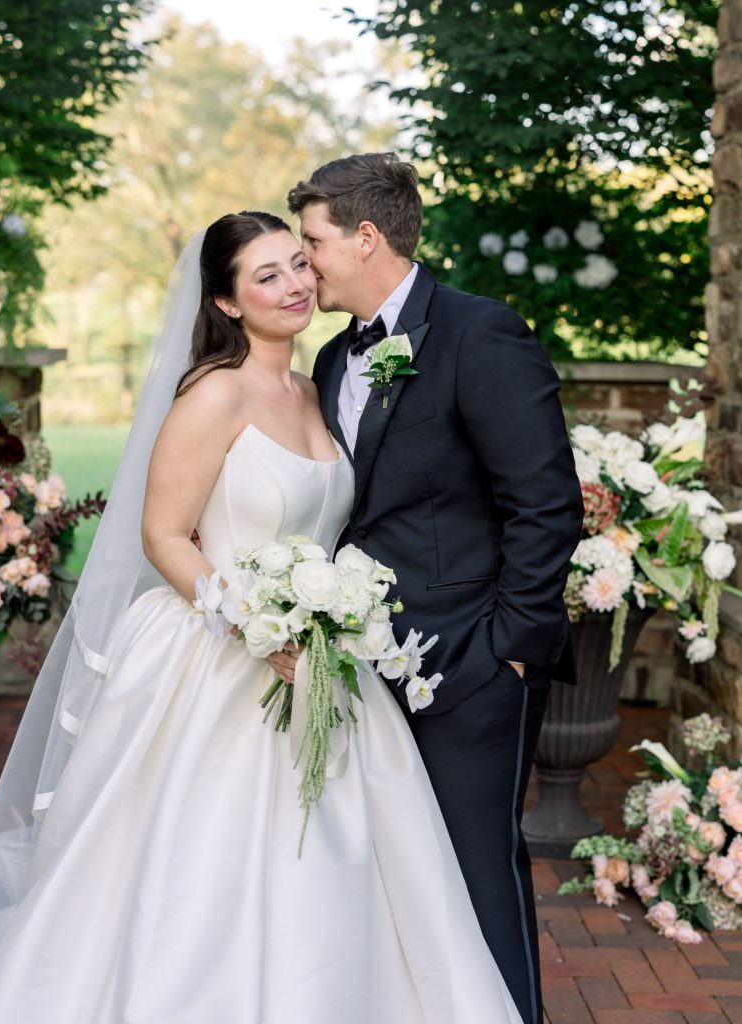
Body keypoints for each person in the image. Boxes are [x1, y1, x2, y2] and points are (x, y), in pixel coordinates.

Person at [0, 211, 523, 1023]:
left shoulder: (317, 385)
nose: (293, 285)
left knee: (342, 865)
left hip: (325, 662)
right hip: (218, 657)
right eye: (266, 276)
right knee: (200, 866)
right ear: (224, 302)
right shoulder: (214, 393)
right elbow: (161, 534)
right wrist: (256, 623)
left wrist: (320, 623)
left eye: (298, 264)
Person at [286, 153, 584, 1024]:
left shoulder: (477, 332)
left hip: (476, 668)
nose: (306, 266)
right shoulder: (337, 359)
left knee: (476, 868)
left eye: (313, 244)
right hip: (366, 669)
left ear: (365, 236)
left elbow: (543, 501)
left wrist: (511, 653)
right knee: (392, 872)